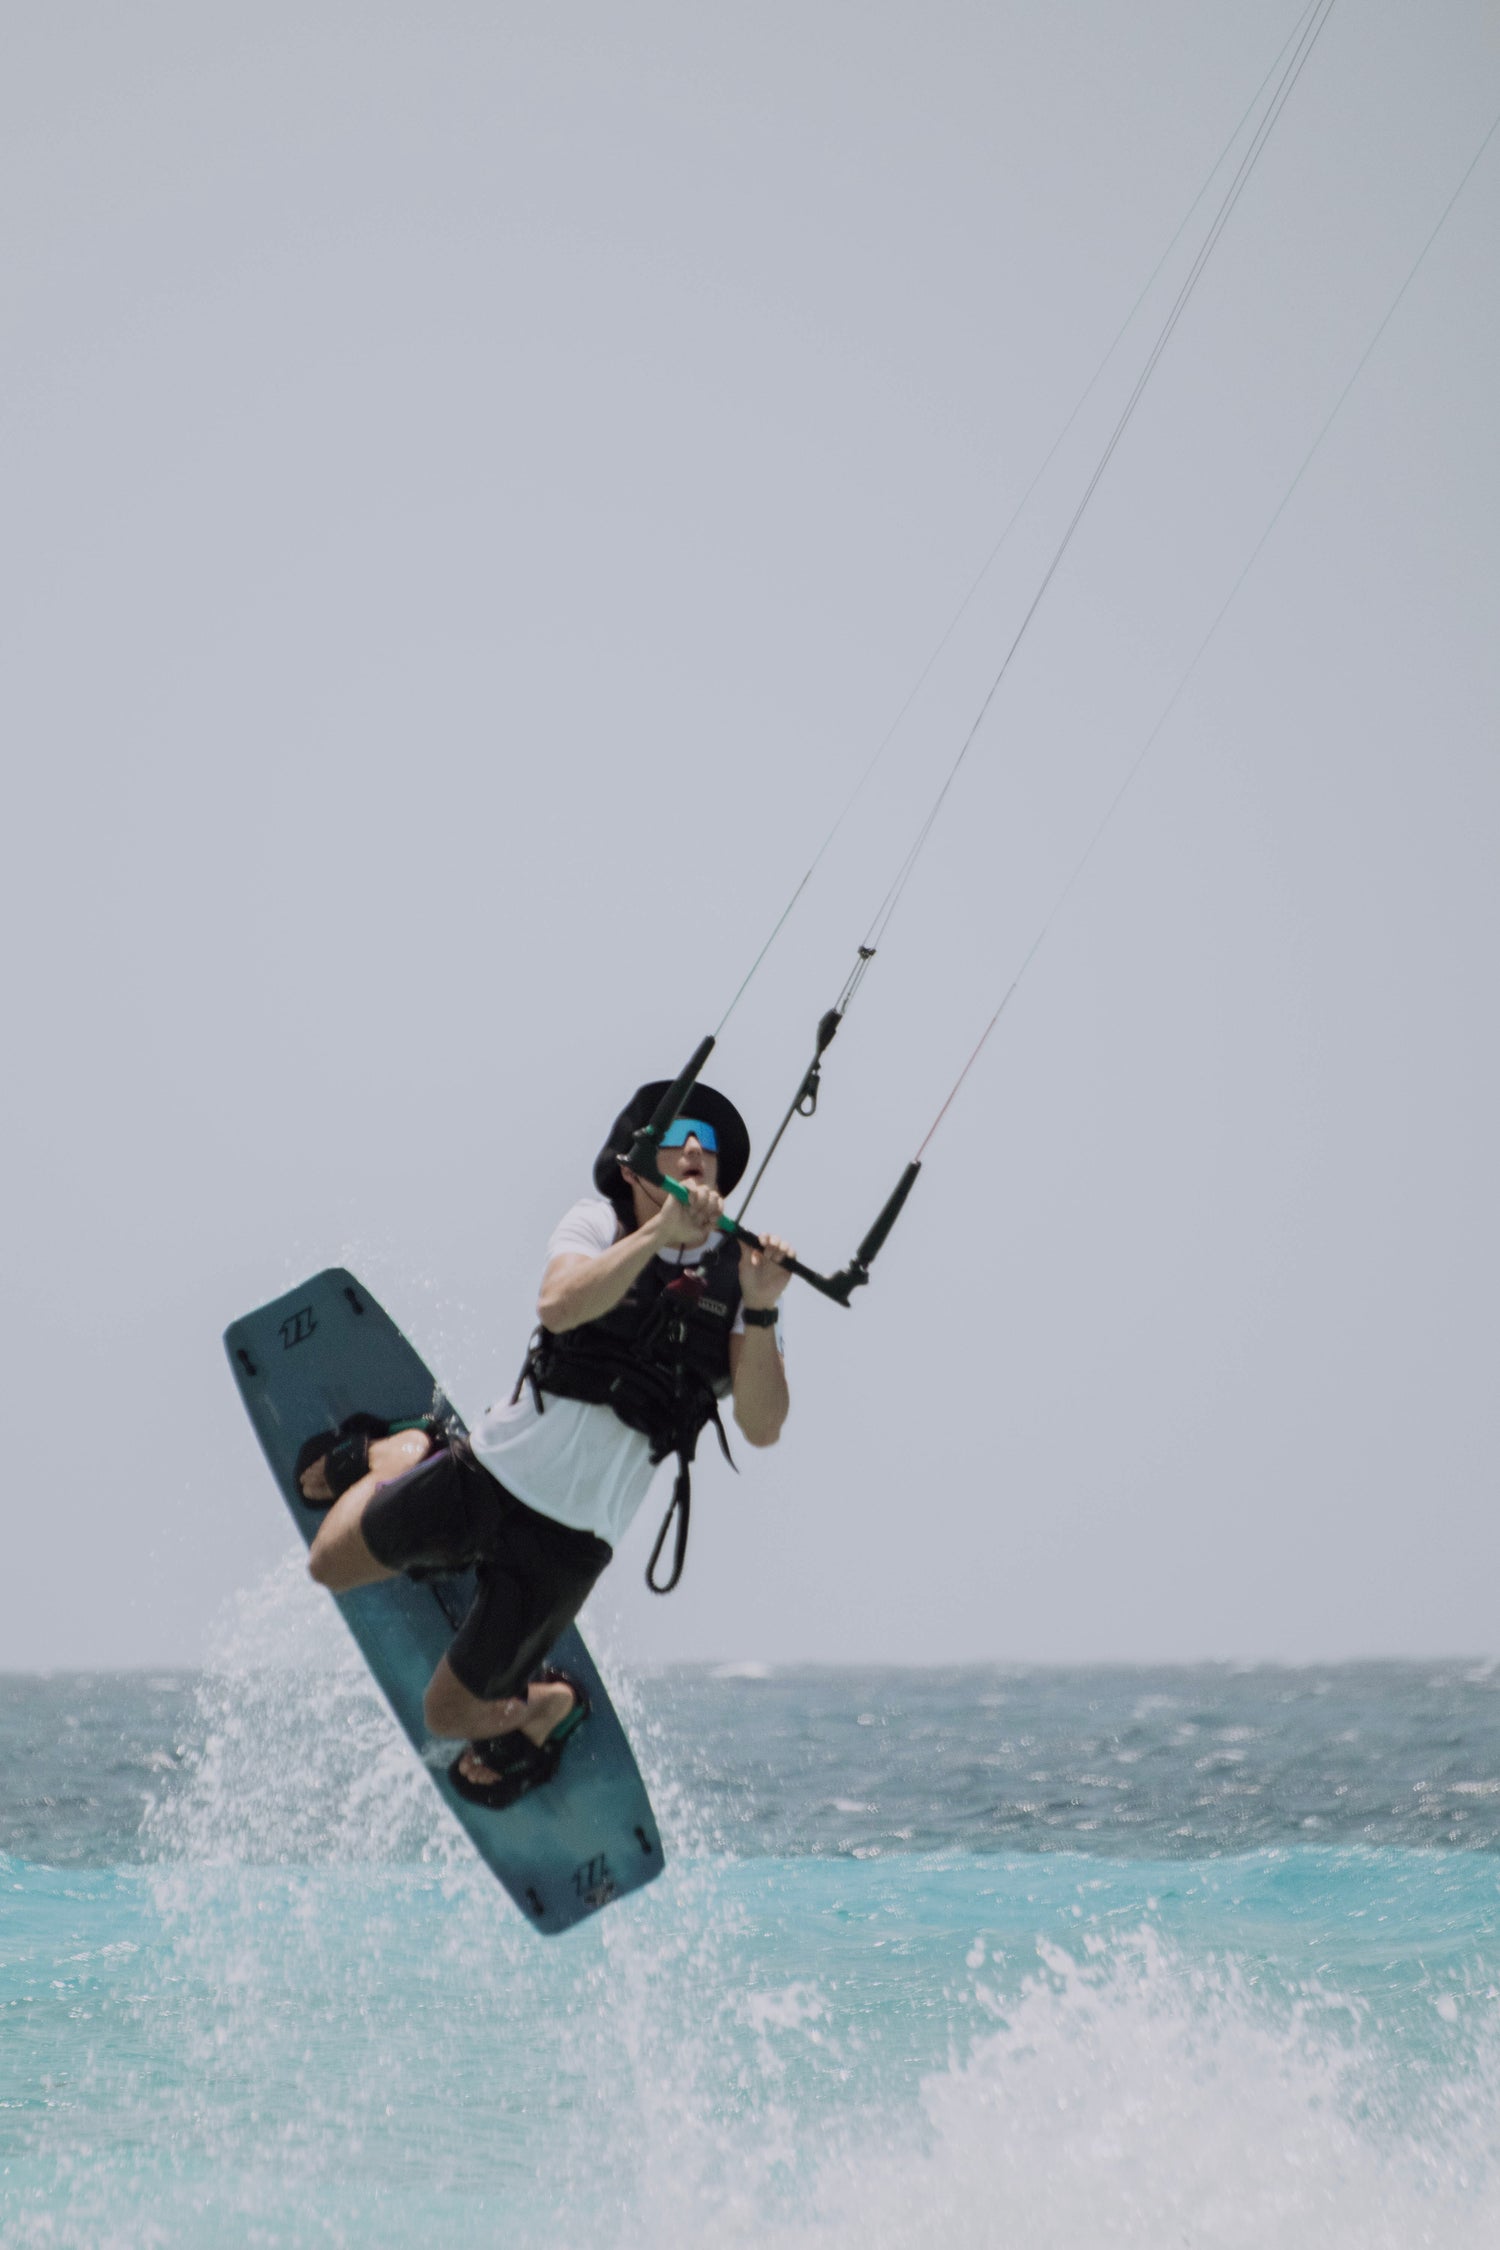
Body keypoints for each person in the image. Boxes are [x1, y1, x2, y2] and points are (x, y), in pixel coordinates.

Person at [300, 1081, 794, 1808]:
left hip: (574, 1539)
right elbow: (560, 1306)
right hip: (496, 1473)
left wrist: (761, 1308)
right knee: (328, 1565)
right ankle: (401, 1451)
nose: (696, 1148)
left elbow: (763, 1424)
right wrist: (658, 1237)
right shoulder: (597, 1220)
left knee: (448, 1716)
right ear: (633, 1168)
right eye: (678, 1134)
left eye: (710, 1144)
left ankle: (546, 1708)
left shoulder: (745, 1275)